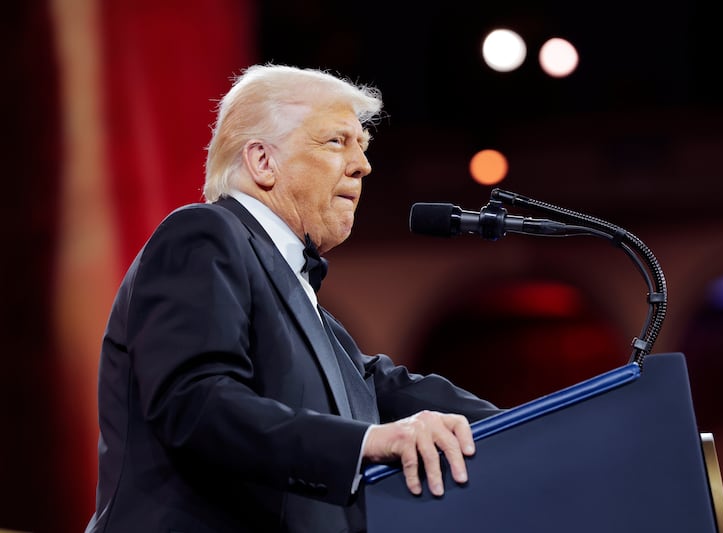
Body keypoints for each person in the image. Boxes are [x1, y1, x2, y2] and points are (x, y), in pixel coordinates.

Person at [85, 63, 501, 533]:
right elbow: (195, 403)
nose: (363, 164)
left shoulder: (309, 309)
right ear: (263, 161)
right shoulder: (203, 235)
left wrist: (547, 424)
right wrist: (365, 443)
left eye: (361, 146)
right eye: (336, 141)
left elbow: (386, 385)